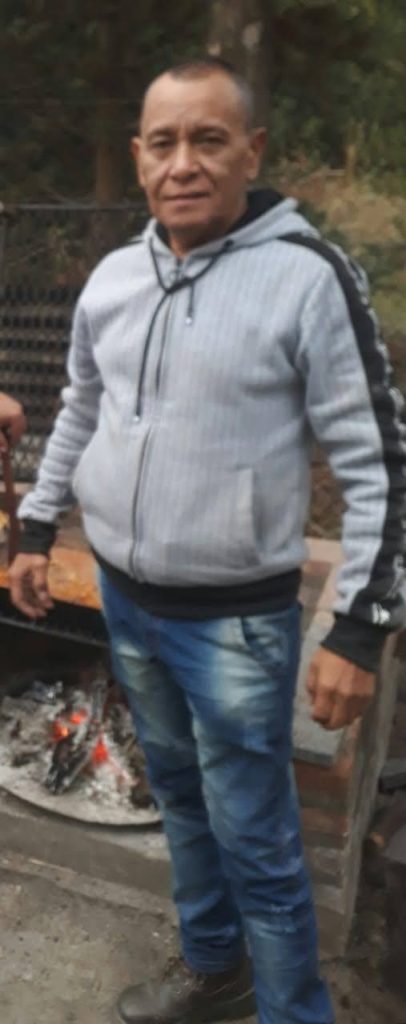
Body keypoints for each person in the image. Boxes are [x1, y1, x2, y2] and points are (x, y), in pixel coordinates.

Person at [9, 57, 406, 1024]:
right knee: (181, 801)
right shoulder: (113, 278)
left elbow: (379, 460)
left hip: (235, 627)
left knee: (259, 842)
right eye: (163, 142)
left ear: (251, 152)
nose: (182, 162)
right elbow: (79, 411)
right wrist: (34, 526)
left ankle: (293, 1009)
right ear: (139, 157)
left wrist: (362, 626)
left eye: (208, 139)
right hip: (127, 601)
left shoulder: (307, 279)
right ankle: (215, 971)